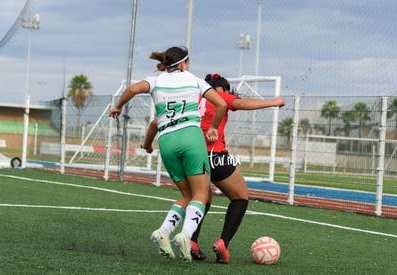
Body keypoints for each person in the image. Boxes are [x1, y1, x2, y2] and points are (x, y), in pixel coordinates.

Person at [142, 73, 285, 264]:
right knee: (240, 197)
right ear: (221, 89)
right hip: (214, 156)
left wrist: (148, 144)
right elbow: (241, 104)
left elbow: (154, 123)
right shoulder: (217, 96)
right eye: (227, 91)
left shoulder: (190, 97)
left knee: (201, 197)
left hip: (189, 156)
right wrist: (274, 102)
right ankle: (223, 243)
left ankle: (191, 241)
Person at [109, 47, 227, 263]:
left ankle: (163, 232)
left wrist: (118, 106)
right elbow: (221, 103)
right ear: (183, 64)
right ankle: (186, 235)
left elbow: (133, 89)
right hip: (191, 137)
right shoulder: (195, 80)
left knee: (186, 194)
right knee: (202, 194)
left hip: (167, 141)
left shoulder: (155, 81)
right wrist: (213, 128)